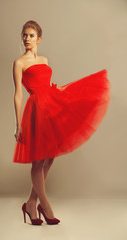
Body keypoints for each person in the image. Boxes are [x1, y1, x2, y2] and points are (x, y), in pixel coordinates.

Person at [12, 20, 111, 225]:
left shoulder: (45, 60)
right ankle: (45, 206)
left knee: (49, 156)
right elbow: (18, 94)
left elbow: (47, 86)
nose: (27, 39)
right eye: (24, 35)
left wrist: (63, 92)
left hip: (51, 106)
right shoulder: (19, 63)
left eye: (31, 35)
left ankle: (31, 202)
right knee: (38, 159)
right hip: (36, 110)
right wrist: (17, 123)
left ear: (39, 38)